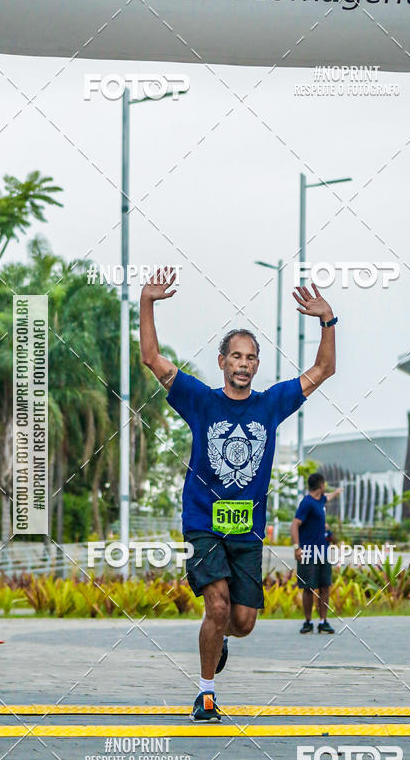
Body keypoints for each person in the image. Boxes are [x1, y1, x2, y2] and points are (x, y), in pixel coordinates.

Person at [139, 268, 337, 720]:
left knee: (242, 621)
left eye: (250, 357)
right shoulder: (200, 400)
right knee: (219, 603)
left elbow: (324, 369)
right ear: (223, 362)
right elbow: (151, 357)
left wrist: (328, 321)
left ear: (256, 365)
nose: (243, 364)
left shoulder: (271, 404)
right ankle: (206, 695)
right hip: (203, 522)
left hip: (246, 528)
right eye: (236, 356)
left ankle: (220, 638)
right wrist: (148, 302)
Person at [291, 473, 340, 634]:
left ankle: (323, 621)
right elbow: (295, 524)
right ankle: (308, 622)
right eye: (324, 484)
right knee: (308, 588)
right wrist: (297, 547)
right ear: (321, 485)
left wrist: (337, 492)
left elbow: (328, 496)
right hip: (308, 552)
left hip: (322, 551)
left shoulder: (320, 501)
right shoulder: (307, 503)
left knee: (325, 586)